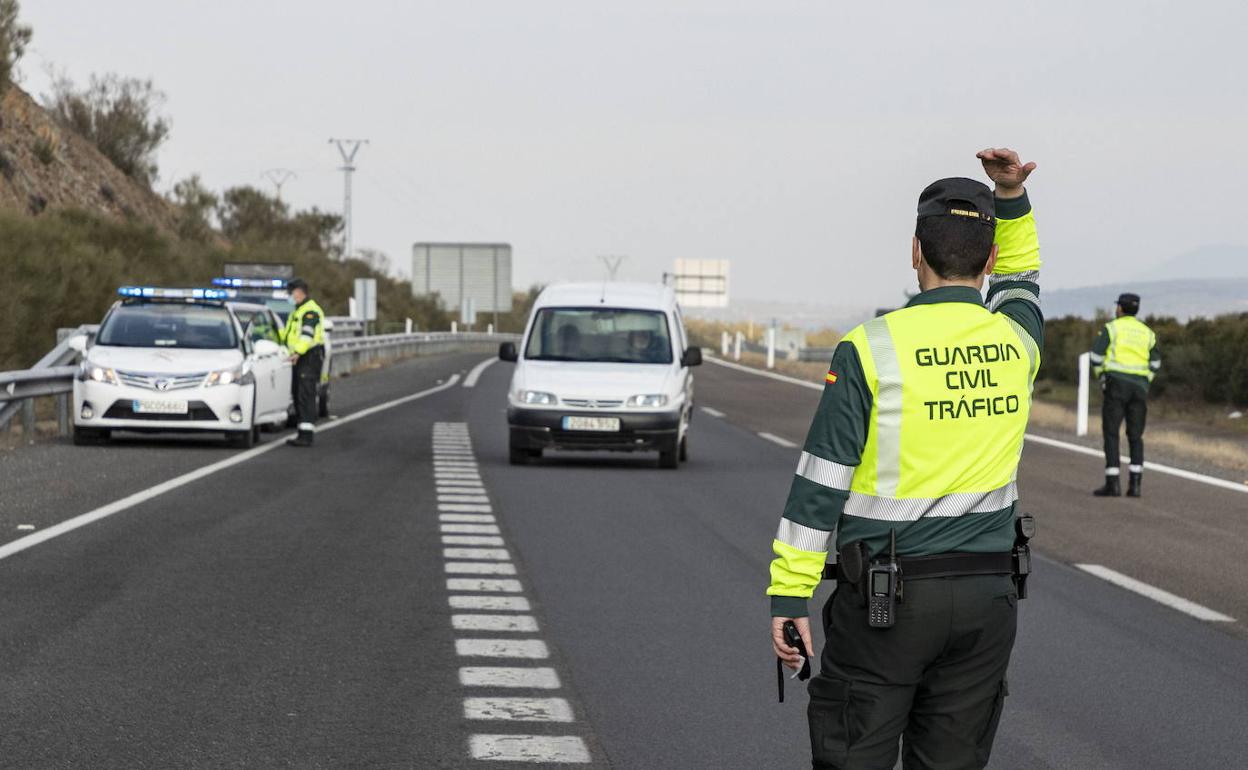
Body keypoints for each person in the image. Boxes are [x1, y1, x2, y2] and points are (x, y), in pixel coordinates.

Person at [768, 148, 1042, 770]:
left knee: (852, 754)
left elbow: (820, 484)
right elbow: (1024, 282)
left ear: (914, 251)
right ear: (990, 259)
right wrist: (1011, 199)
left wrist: (790, 597)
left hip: (887, 605)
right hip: (987, 599)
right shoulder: (1018, 342)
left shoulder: (869, 349)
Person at [1090, 293, 1161, 497]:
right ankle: (1135, 485)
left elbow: (1096, 356)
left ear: (1120, 308)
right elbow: (1155, 363)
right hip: (1139, 388)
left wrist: (1102, 378)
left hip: (1116, 386)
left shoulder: (1112, 328)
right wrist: (1145, 381)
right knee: (1136, 436)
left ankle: (1113, 484)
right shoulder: (1147, 332)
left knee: (1112, 433)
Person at [281, 278, 325, 447]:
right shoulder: (298, 311)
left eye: (290, 293)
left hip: (308, 357)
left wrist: (298, 352)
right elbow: (289, 335)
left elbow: (307, 335)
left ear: (298, 292)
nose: (289, 297)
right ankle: (302, 432)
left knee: (305, 395)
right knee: (298, 393)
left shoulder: (309, 311)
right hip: (301, 357)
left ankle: (306, 435)